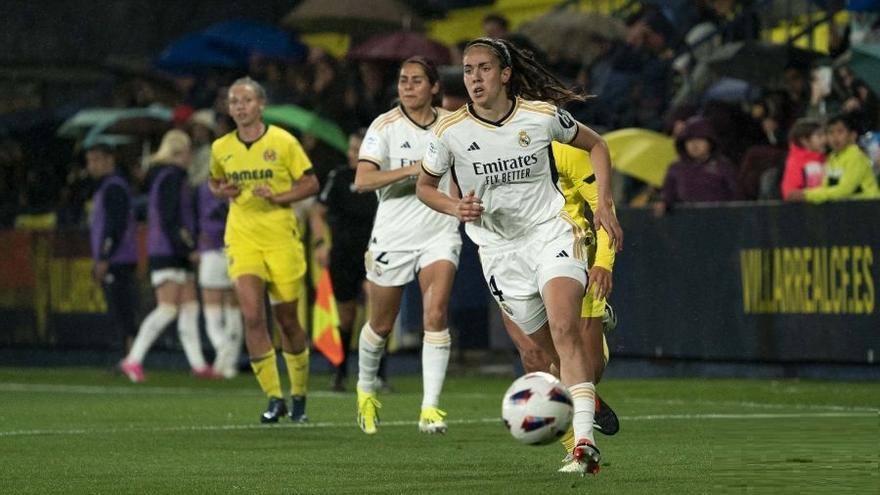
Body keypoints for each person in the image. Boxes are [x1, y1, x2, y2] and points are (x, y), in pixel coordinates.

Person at [417, 38, 623, 475]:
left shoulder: (541, 116)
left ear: (505, 74)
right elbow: (425, 187)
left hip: (550, 232)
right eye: (468, 70)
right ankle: (584, 406)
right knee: (544, 356)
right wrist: (456, 208)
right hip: (498, 250)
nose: (474, 78)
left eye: (484, 69)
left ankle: (583, 447)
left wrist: (603, 204)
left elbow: (598, 145)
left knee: (565, 329)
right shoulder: (448, 133)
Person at [353, 56, 462, 436]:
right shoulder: (384, 126)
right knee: (381, 324)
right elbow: (363, 179)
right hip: (393, 235)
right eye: (402, 80)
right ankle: (366, 388)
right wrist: (412, 169)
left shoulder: (452, 125)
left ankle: (430, 408)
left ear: (434, 87)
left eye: (417, 80)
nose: (408, 86)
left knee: (436, 314)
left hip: (439, 230)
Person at [500, 142, 621, 467]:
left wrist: (604, 263)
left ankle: (582, 386)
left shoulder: (565, 148)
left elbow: (603, 207)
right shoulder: (485, 149)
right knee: (533, 355)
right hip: (510, 258)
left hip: (566, 251)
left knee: (587, 368)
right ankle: (575, 447)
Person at [209, 77, 319, 423]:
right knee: (253, 316)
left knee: (287, 319)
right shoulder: (221, 148)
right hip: (242, 237)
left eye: (246, 100)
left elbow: (310, 182)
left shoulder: (283, 142)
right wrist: (220, 190)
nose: (240, 107)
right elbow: (214, 181)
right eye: (234, 101)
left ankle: (298, 393)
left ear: (261, 105)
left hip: (281, 238)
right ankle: (274, 398)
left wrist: (279, 197)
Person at [119, 130, 210, 382]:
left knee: (190, 308)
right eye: (188, 150)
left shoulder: (166, 177)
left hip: (171, 249)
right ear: (179, 152)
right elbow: (171, 219)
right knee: (168, 309)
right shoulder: (171, 178)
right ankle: (132, 360)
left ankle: (199, 365)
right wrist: (188, 248)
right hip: (169, 251)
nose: (192, 155)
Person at [86, 142, 139, 362]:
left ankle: (131, 358)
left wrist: (104, 257)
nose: (91, 165)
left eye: (96, 159)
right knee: (120, 310)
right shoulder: (108, 186)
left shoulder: (114, 187)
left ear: (110, 160)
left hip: (118, 259)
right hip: (117, 258)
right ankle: (129, 357)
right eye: (89, 161)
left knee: (122, 311)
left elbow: (114, 226)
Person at [195, 178, 242, 378]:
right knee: (235, 308)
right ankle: (229, 365)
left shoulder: (205, 187)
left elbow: (198, 217)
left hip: (212, 250)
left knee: (211, 308)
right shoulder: (243, 180)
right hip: (237, 248)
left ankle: (223, 350)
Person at [654, 116, 742, 217]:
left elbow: (737, 197)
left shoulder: (724, 166)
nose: (694, 145)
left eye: (700, 139)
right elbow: (667, 193)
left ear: (710, 142)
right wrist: (663, 203)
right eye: (689, 140)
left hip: (720, 222)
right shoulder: (676, 168)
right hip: (687, 223)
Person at [787, 113, 879, 202]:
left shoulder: (855, 156)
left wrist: (807, 195)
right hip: (848, 208)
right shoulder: (832, 157)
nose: (835, 137)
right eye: (830, 132)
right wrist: (808, 194)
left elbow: (844, 190)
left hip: (869, 207)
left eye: (840, 132)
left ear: (852, 136)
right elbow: (826, 186)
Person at [780, 118, 827, 200]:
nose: (825, 140)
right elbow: (790, 194)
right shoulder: (795, 162)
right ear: (804, 141)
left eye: (824, 135)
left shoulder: (826, 157)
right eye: (819, 136)